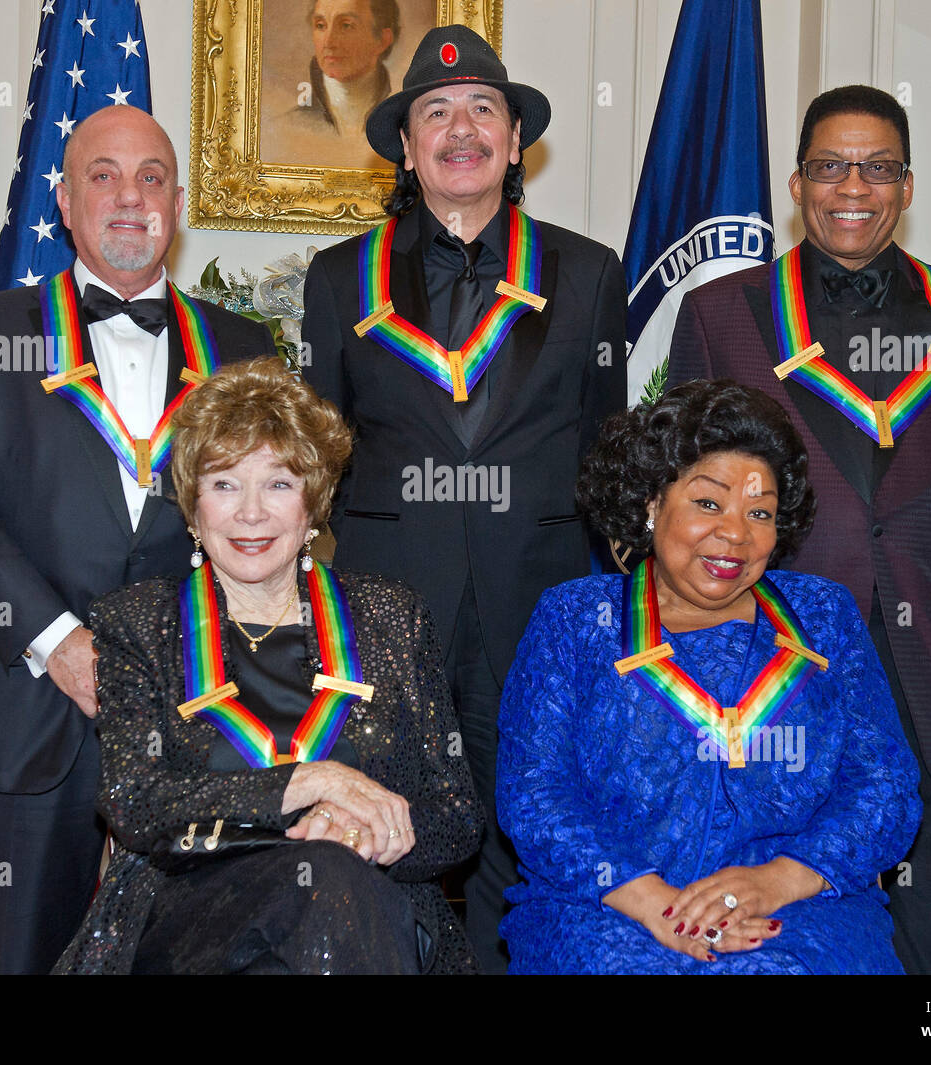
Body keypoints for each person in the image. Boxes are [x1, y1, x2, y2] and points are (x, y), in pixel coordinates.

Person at [665, 85, 931, 974]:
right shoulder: (721, 315)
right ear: (798, 183)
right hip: (773, 672)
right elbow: (682, 509)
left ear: (907, 188)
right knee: (786, 922)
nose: (853, 186)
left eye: (878, 168)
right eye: (831, 166)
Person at [0, 105, 276, 974]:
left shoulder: (244, 348)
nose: (129, 196)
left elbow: (270, 523)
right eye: (104, 176)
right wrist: (63, 644)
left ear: (178, 204)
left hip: (198, 718)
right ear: (66, 200)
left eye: (151, 176)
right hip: (30, 709)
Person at [300, 24, 627, 972]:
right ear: (406, 146)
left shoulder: (589, 271)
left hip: (542, 598)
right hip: (387, 609)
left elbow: (606, 454)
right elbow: (323, 458)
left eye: (484, 108)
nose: (462, 128)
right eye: (436, 112)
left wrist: (610, 611)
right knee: (380, 829)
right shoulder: (339, 276)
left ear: (516, 138)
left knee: (527, 832)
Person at [55, 358, 482, 974]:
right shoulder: (137, 623)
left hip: (367, 905)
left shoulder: (391, 616)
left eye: (278, 484)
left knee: (334, 882)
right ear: (192, 506)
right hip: (193, 919)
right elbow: (136, 803)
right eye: (224, 484)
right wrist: (309, 782)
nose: (251, 513)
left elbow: (456, 816)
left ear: (313, 504)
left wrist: (370, 836)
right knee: (327, 885)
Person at [497, 380, 923, 974]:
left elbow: (885, 787)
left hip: (796, 907)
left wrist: (776, 882)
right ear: (651, 503)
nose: (736, 533)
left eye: (760, 512)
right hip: (608, 905)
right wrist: (655, 903)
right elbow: (534, 795)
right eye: (707, 503)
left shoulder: (823, 616)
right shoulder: (575, 618)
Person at [287, 0, 398, 142]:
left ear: (382, 40)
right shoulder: (290, 125)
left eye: (346, 25)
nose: (328, 42)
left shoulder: (401, 121)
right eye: (320, 25)